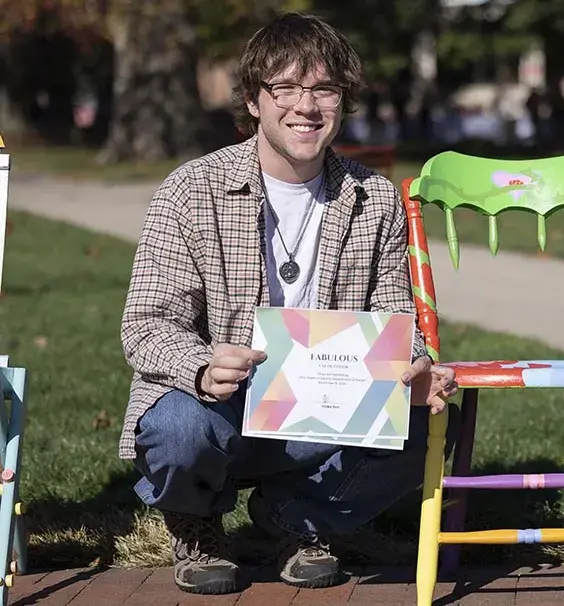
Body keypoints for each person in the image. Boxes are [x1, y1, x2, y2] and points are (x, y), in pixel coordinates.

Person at [118, 13, 459, 596]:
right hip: (215, 403)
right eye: (285, 88)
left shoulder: (372, 195)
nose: (306, 106)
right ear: (254, 100)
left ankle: (295, 520)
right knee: (176, 427)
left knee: (433, 415)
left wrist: (416, 363)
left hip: (323, 404)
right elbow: (146, 325)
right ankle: (197, 524)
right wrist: (200, 365)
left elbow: (395, 315)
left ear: (342, 101)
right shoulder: (189, 189)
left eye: (323, 89)